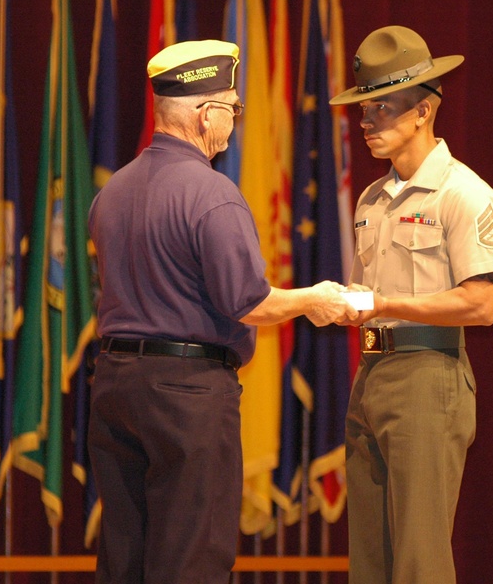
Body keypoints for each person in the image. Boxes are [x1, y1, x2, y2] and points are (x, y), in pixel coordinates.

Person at [87, 39, 358, 584]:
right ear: (206, 113)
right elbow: (249, 301)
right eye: (233, 109)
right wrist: (315, 298)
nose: (234, 121)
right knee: (191, 557)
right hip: (187, 394)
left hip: (114, 386)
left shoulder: (111, 192)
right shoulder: (212, 194)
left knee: (124, 558)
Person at [331, 26, 493, 583]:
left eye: (381, 108)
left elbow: (483, 304)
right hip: (373, 372)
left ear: (423, 112)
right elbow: (365, 294)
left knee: (418, 561)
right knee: (370, 560)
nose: (366, 123)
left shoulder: (463, 194)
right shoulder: (371, 199)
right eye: (363, 110)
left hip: (429, 376)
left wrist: (388, 302)